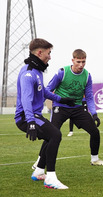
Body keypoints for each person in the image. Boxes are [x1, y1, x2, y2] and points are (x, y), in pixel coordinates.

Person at [14, 38, 75, 189]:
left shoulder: (37, 70)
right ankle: (51, 178)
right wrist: (31, 122)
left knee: (52, 135)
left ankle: (39, 171)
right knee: (55, 135)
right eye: (48, 53)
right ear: (39, 52)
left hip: (34, 116)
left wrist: (62, 99)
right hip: (26, 117)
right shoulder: (28, 73)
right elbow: (26, 100)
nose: (50, 56)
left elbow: (44, 91)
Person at [33, 49, 103, 167]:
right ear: (72, 60)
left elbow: (89, 96)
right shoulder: (62, 73)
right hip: (60, 107)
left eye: (83, 62)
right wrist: (37, 109)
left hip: (77, 108)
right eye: (78, 61)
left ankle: (95, 159)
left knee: (95, 132)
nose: (81, 65)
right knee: (52, 134)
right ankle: (39, 161)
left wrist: (94, 114)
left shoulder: (87, 76)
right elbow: (47, 90)